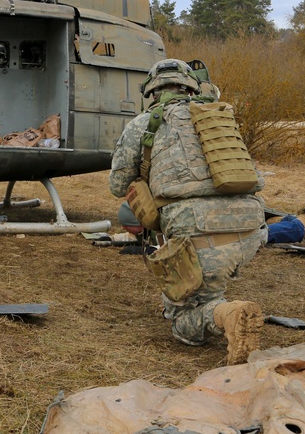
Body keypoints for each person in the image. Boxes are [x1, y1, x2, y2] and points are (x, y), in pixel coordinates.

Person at [109, 59, 266, 365]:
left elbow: (118, 184)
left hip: (199, 230)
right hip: (252, 226)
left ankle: (226, 314)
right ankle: (216, 300)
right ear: (192, 87)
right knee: (203, 284)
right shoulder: (217, 116)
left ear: (151, 90)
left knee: (184, 323)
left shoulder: (143, 123)